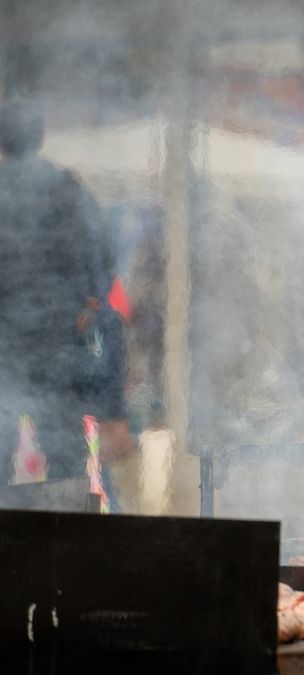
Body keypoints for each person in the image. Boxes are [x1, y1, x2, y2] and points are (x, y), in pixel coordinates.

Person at [0, 98, 122, 484]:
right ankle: (63, 537)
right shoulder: (69, 189)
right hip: (61, 351)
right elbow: (101, 259)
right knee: (66, 464)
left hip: (6, 352)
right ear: (41, 136)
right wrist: (88, 305)